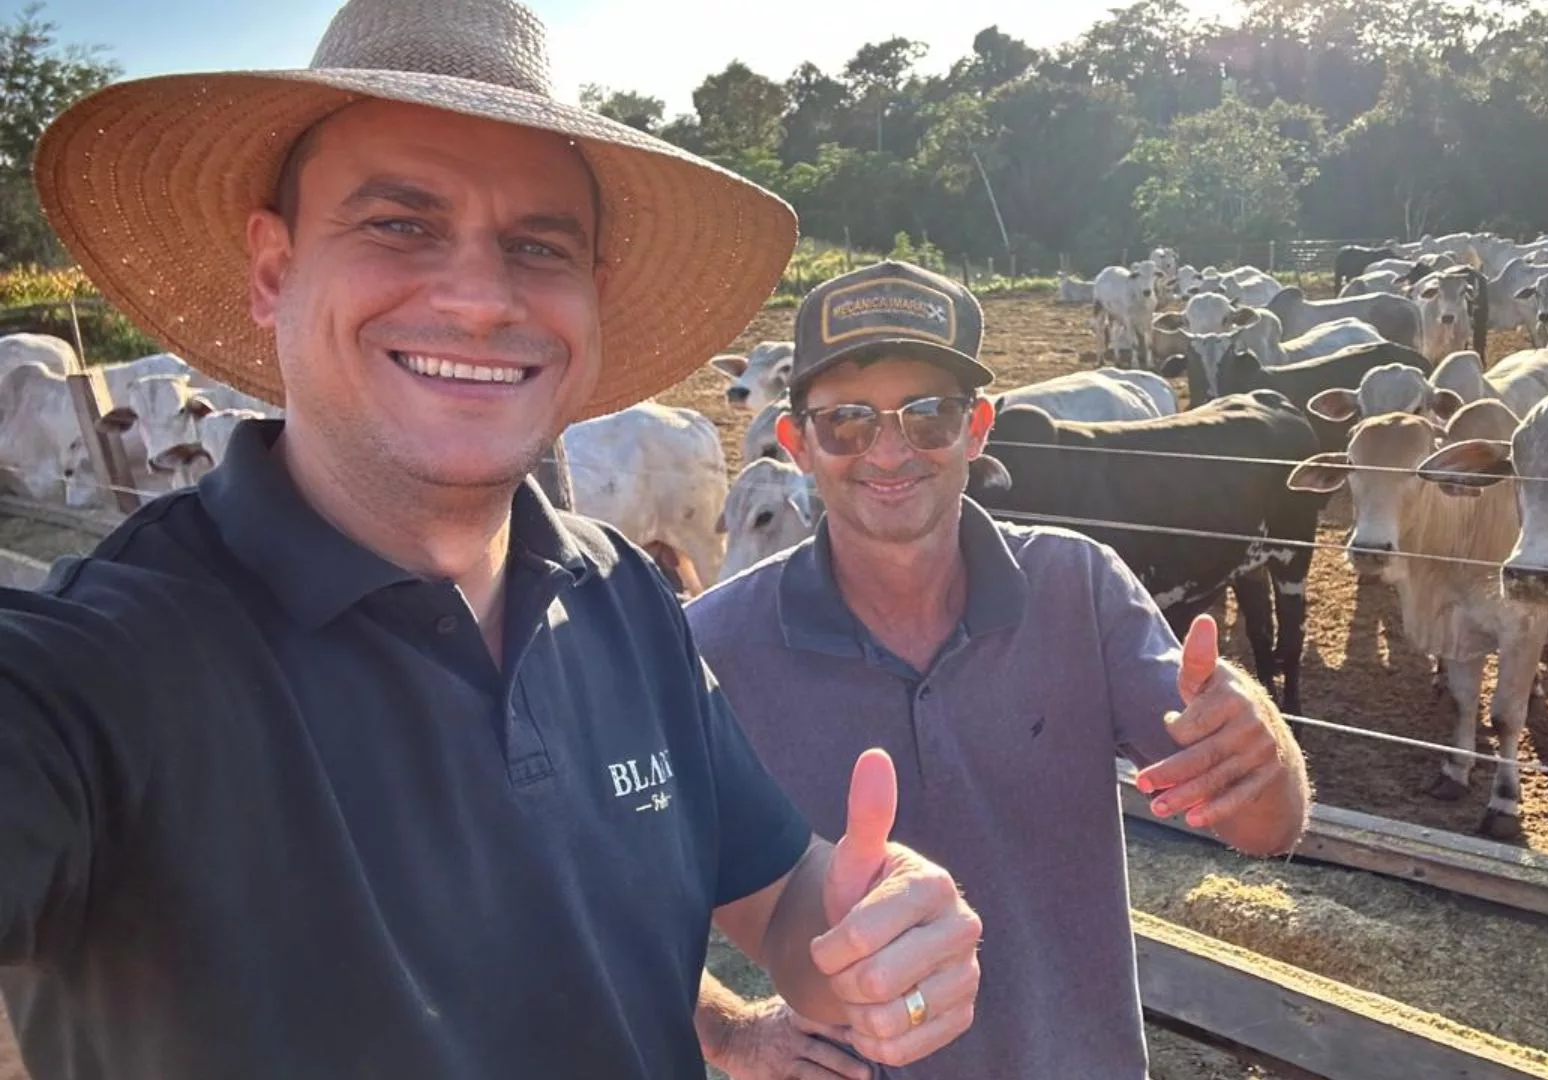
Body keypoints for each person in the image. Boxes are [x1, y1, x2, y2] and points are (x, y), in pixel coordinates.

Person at [2, 1, 983, 1076]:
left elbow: (785, 896)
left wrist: (869, 934)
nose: (478, 298)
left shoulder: (624, 600)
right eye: (399, 223)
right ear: (273, 269)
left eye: (537, 245)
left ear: (591, 299)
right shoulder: (103, 668)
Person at [686, 260, 1313, 1080]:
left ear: (977, 429)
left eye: (928, 416)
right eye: (846, 421)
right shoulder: (712, 645)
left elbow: (1267, 828)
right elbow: (583, 877)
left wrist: (1261, 743)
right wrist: (729, 1030)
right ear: (798, 444)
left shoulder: (1078, 588)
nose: (888, 450)